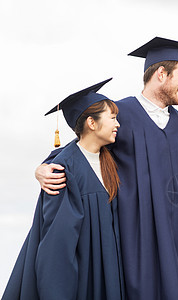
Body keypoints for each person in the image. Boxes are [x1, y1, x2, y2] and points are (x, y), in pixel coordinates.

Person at [35, 37, 178, 300]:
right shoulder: (120, 113)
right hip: (134, 231)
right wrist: (44, 166)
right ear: (160, 74)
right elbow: (81, 144)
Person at [3, 79, 124, 300]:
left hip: (106, 273)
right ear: (91, 122)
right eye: (113, 118)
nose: (118, 124)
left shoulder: (109, 160)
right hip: (82, 281)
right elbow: (56, 247)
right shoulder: (63, 169)